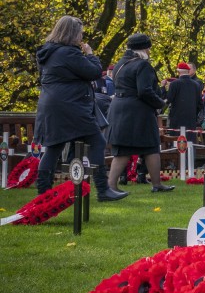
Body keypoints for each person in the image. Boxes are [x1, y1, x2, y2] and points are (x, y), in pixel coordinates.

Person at [33, 16, 126, 201]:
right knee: (98, 142)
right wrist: (90, 54)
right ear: (72, 33)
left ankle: (43, 194)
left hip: (52, 105)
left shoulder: (48, 52)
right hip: (71, 106)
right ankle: (103, 190)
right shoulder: (68, 53)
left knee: (54, 147)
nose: (81, 37)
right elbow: (93, 72)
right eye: (80, 33)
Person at [106, 33, 175, 194]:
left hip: (119, 108)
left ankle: (112, 185)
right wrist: (160, 104)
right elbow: (144, 91)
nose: (150, 51)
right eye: (149, 47)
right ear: (144, 48)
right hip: (137, 111)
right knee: (150, 146)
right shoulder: (142, 65)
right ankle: (155, 184)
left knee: (124, 148)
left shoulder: (120, 64)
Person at [165, 62, 203, 143]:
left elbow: (169, 99)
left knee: (177, 143)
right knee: (190, 142)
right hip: (191, 119)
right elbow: (200, 103)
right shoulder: (196, 85)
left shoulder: (174, 84)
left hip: (176, 119)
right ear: (188, 71)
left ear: (178, 72)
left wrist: (164, 90)